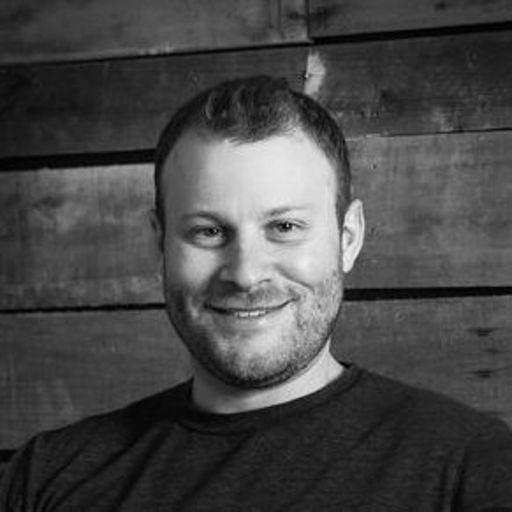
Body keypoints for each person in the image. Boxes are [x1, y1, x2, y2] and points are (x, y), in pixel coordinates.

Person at [1, 75, 511, 511]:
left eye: (284, 227)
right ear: (159, 243)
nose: (246, 275)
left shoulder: (472, 471)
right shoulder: (46, 478)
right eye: (208, 232)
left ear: (348, 238)